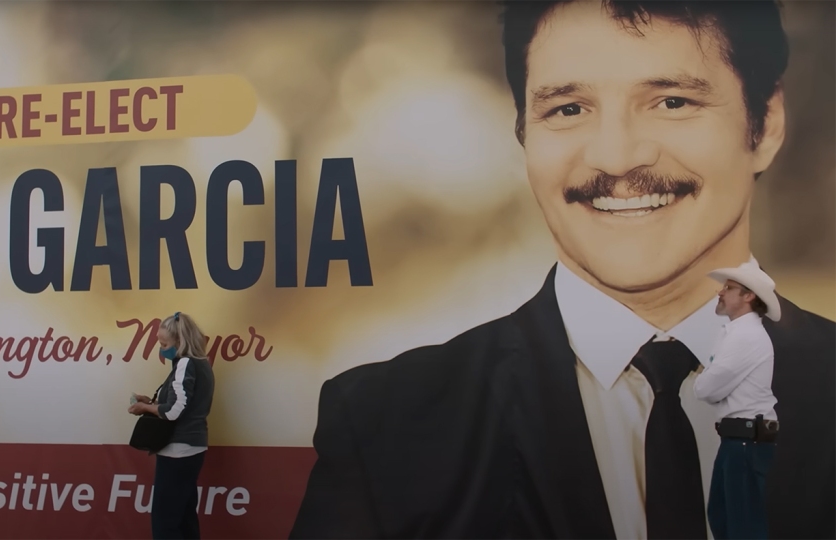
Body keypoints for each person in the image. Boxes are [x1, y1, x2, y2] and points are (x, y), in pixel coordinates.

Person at [290, 1, 834, 539]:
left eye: (672, 102)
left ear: (765, 125)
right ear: (523, 133)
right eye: (569, 109)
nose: (616, 157)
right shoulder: (384, 427)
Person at [695, 263, 782, 539]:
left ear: (749, 296)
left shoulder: (746, 336)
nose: (720, 293)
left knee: (741, 525)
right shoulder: (737, 334)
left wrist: (705, 379)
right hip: (739, 440)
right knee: (726, 518)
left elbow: (706, 389)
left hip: (745, 443)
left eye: (729, 288)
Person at [129, 312, 216, 540]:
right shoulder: (202, 363)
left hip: (178, 450)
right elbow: (185, 404)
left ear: (180, 341)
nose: (161, 349)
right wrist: (152, 403)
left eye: (164, 344)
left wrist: (145, 408)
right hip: (193, 448)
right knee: (186, 519)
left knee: (165, 524)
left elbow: (174, 411)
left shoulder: (185, 363)